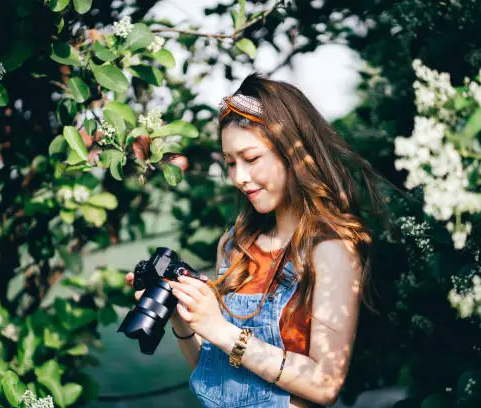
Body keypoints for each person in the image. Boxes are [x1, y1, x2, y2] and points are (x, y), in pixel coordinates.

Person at [125, 73, 388, 407]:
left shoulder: (330, 250)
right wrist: (183, 317)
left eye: (251, 159)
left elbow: (325, 384)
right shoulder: (236, 244)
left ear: (293, 152)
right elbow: (217, 375)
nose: (239, 177)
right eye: (231, 163)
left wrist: (222, 331)